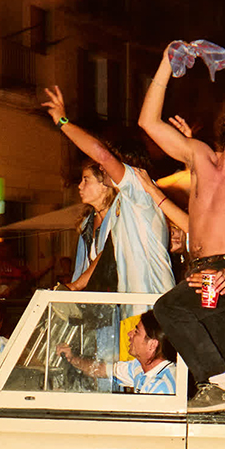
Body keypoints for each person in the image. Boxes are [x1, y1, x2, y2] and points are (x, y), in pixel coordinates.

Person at [139, 45, 225, 413]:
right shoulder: (200, 157)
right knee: (218, 350)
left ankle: (217, 384)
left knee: (168, 309)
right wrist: (166, 62)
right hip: (196, 269)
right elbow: (149, 123)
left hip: (224, 271)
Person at [43, 86, 174, 295]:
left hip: (151, 310)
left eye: (108, 163)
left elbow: (102, 155)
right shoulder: (125, 205)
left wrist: (62, 122)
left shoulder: (139, 191)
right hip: (132, 310)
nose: (102, 166)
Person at [56, 310, 176, 395]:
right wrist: (72, 358)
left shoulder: (161, 387)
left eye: (136, 332)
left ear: (152, 345)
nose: (129, 334)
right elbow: (102, 370)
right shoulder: (139, 368)